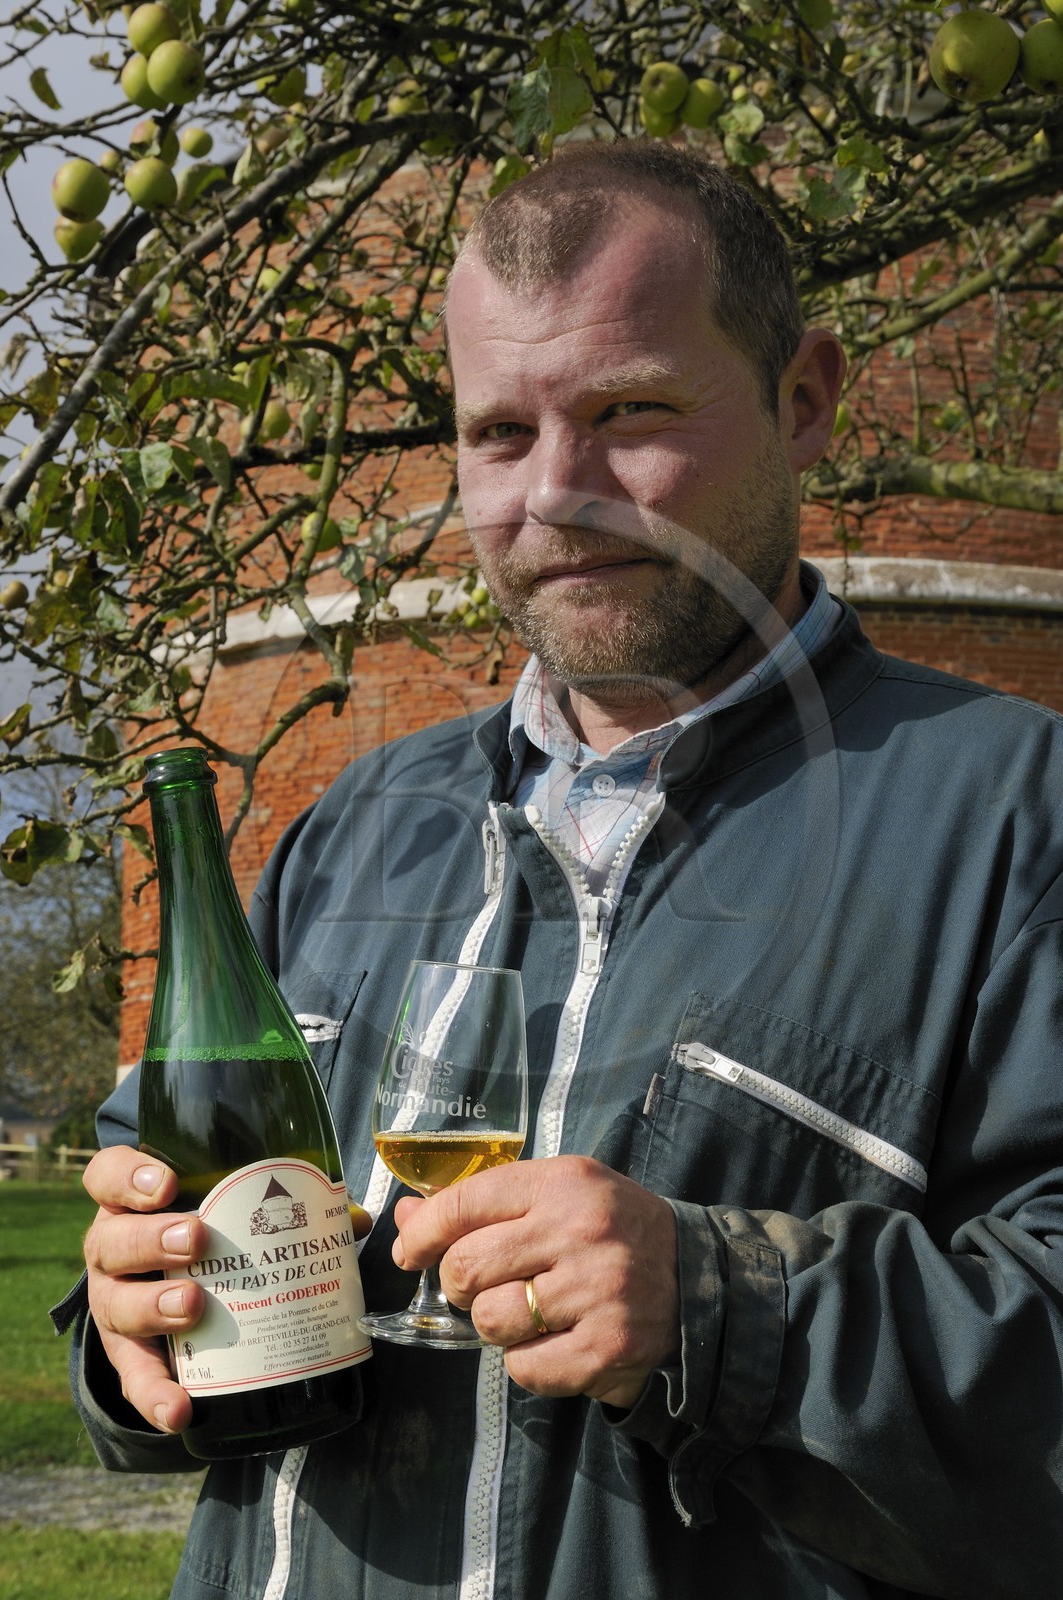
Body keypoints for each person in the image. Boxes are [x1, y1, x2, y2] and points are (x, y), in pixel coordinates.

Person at [56, 141, 1063, 1600]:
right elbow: (162, 1239)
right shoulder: (354, 824)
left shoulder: (1017, 819)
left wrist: (718, 1303)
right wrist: (127, 1313)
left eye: (629, 412)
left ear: (806, 400)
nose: (558, 495)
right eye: (499, 434)